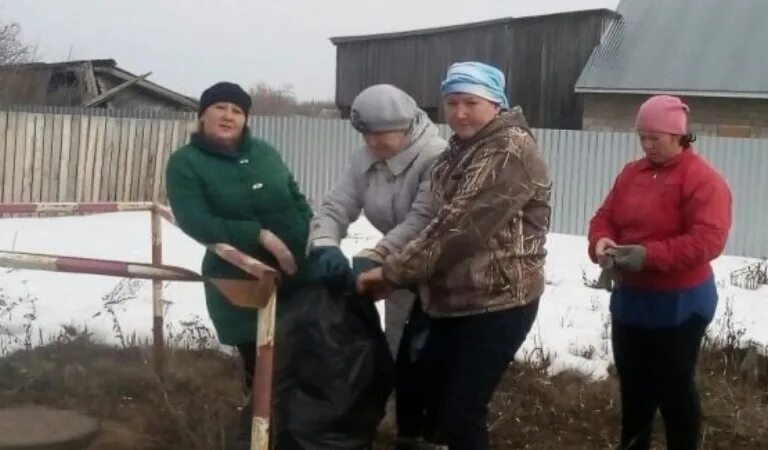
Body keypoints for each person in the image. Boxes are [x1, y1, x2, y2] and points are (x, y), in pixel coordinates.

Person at [357, 61, 552, 450]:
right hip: (449, 298)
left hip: (497, 300)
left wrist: (392, 273)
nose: (459, 112)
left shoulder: (509, 149)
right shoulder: (458, 151)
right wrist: (389, 258)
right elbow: (435, 218)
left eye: (470, 102)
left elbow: (461, 230)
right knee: (425, 399)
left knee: (461, 413)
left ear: (495, 104)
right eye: (451, 103)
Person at [164, 81, 313, 447]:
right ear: (203, 114)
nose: (228, 116)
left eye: (237, 110)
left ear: (246, 119)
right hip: (242, 276)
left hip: (299, 270)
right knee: (260, 363)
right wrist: (258, 236)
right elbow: (194, 219)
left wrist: (312, 236)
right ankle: (260, 435)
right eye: (220, 108)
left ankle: (304, 432)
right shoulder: (186, 163)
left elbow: (295, 195)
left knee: (304, 355)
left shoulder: (264, 152)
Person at [588, 95, 732, 450]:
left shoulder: (703, 180)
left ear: (679, 136)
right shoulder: (631, 173)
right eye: (642, 137)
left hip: (679, 304)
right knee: (634, 385)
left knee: (674, 388)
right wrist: (601, 242)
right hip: (632, 301)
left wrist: (648, 256)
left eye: (656, 138)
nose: (647, 145)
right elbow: (604, 216)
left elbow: (707, 240)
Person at [307, 84, 447, 449]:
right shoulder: (364, 157)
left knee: (432, 356)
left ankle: (437, 434)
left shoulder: (435, 157)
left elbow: (423, 219)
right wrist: (324, 245)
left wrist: (379, 253)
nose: (373, 142)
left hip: (441, 271)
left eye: (382, 133)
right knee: (399, 350)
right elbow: (337, 205)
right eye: (366, 133)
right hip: (397, 270)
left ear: (407, 125)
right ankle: (407, 433)